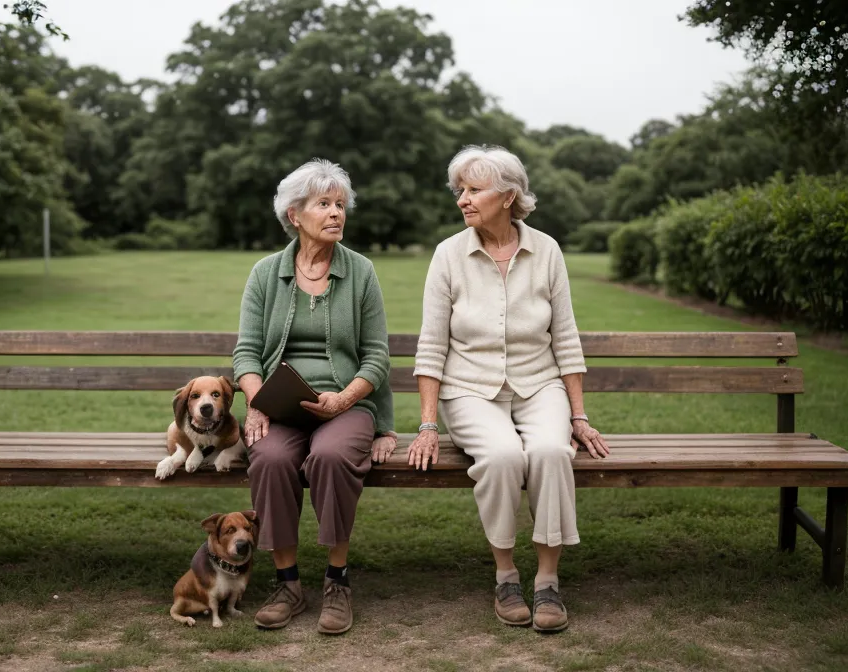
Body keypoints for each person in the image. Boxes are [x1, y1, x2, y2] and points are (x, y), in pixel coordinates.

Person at [408, 145, 610, 633]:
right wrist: (428, 423)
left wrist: (577, 416)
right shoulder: (448, 255)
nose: (463, 200)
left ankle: (547, 581)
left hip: (539, 384)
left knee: (549, 452)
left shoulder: (547, 251)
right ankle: (505, 575)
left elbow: (565, 338)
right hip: (469, 389)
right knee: (501, 457)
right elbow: (432, 345)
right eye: (461, 190)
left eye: (475, 190)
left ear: (508, 195)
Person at [233, 158, 397, 635]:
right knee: (268, 458)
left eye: (340, 205)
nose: (335, 214)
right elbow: (245, 352)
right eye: (323, 204)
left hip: (346, 404)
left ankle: (337, 581)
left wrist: (345, 399)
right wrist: (256, 402)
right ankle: (287, 584)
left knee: (328, 456)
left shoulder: (361, 273)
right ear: (294, 214)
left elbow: (377, 355)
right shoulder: (265, 274)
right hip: (279, 404)